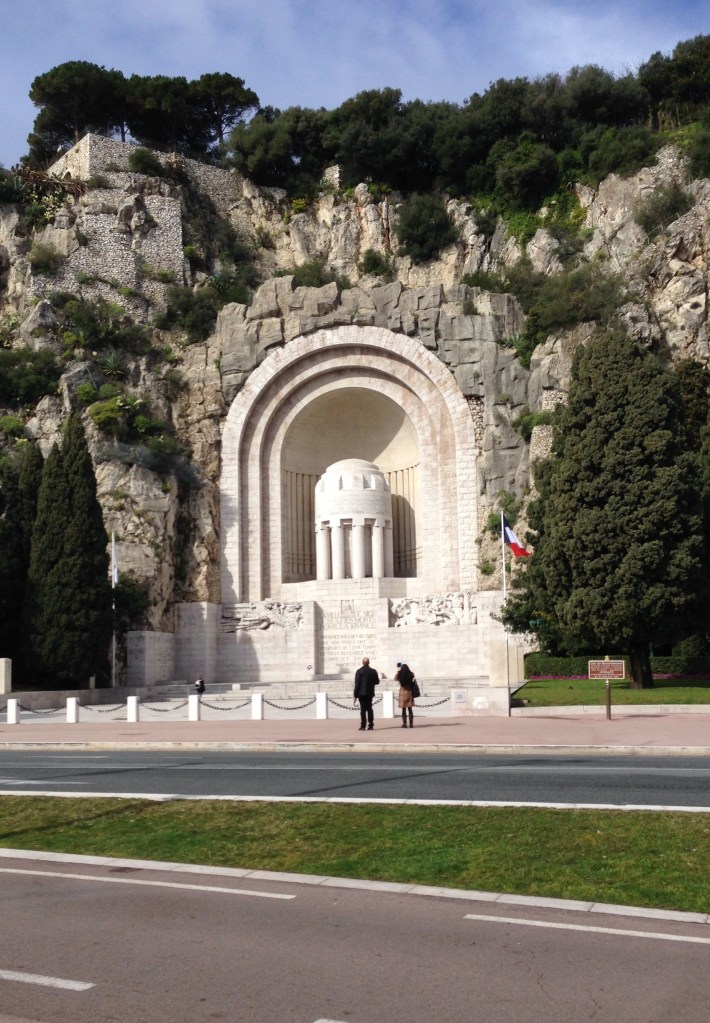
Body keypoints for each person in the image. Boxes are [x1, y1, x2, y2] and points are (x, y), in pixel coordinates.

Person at [353, 656, 379, 731]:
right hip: (370, 693)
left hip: (361, 693)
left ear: (362, 663)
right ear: (369, 662)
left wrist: (355, 695)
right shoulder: (373, 671)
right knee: (369, 709)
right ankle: (371, 725)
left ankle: (363, 726)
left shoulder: (359, 671)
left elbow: (357, 684)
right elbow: (377, 682)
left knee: (363, 710)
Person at [395, 661, 415, 727]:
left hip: (403, 692)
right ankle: (411, 724)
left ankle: (404, 723)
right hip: (409, 692)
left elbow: (395, 679)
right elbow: (413, 678)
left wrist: (398, 671)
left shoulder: (400, 675)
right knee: (410, 709)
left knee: (403, 709)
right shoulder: (411, 674)